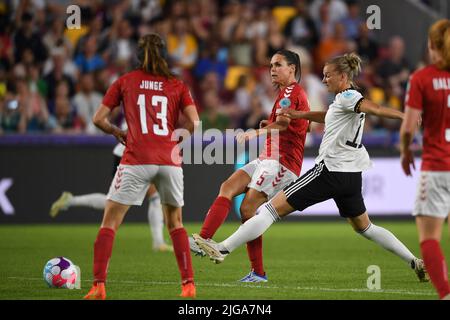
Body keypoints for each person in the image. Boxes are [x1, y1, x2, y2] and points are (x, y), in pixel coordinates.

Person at [193, 53, 428, 284]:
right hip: (351, 177)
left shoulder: (349, 96)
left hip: (330, 172)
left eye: (328, 76)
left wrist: (402, 115)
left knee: (269, 211)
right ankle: (414, 261)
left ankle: (222, 249)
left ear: (343, 76)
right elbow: (330, 116)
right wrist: (302, 114)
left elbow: (373, 107)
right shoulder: (342, 101)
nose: (324, 80)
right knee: (365, 227)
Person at [83, 33, 199, 300]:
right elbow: (195, 122)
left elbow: (98, 119)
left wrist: (116, 131)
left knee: (110, 222)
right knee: (176, 223)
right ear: (165, 55)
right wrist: (175, 141)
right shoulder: (177, 84)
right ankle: (188, 286)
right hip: (170, 160)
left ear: (138, 55)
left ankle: (99, 286)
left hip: (136, 158)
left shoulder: (125, 81)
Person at [190, 49, 310, 283]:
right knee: (228, 186)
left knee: (247, 209)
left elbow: (284, 124)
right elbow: (286, 123)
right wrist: (269, 124)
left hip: (282, 163)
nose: (272, 69)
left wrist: (257, 131)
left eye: (278, 64)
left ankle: (258, 272)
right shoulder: (285, 94)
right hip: (268, 157)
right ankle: (204, 239)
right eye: (271, 65)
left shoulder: (291, 91)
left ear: (292, 68)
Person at [399, 19, 450, 300]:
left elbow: (408, 127)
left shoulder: (422, 78)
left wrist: (406, 152)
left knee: (429, 238)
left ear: (431, 46)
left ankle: (445, 294)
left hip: (438, 166)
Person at [49, 139, 174, 253]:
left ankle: (71, 200)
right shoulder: (148, 116)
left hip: (134, 154)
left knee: (145, 198)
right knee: (121, 201)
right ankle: (158, 242)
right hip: (130, 155)